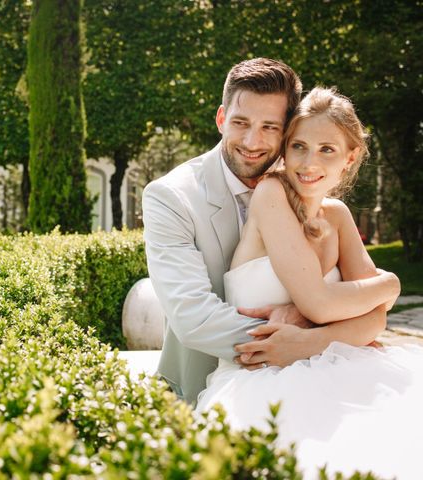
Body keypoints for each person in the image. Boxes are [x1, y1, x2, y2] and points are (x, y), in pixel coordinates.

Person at [194, 87, 423, 479]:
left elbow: (376, 321)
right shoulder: (271, 193)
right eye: (298, 146)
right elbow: (320, 303)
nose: (308, 162)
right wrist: (375, 294)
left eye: (327, 150)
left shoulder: (337, 215)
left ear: (350, 158)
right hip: (263, 377)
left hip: (338, 364)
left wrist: (386, 290)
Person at [142, 58, 395, 405]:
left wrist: (316, 334)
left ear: (287, 129)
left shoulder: (308, 184)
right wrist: (314, 336)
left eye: (270, 127)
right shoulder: (172, 196)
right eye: (240, 123)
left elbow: (374, 312)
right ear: (221, 119)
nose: (252, 140)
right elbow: (193, 317)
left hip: (320, 380)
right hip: (215, 385)